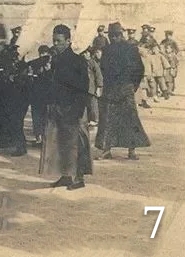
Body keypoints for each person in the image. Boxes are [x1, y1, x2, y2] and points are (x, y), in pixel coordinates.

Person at [39, 24, 92, 190]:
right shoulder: (55, 60)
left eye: (59, 41)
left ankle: (79, 178)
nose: (56, 44)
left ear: (68, 41)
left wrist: (78, 110)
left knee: (76, 143)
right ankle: (66, 175)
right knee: (61, 143)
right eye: (54, 41)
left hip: (72, 108)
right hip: (58, 107)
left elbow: (84, 87)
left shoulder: (78, 60)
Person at [96, 22, 149, 160]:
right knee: (107, 119)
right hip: (111, 89)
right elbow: (103, 68)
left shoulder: (131, 49)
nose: (114, 38)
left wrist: (133, 85)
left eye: (116, 35)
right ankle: (106, 150)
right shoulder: (107, 49)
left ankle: (131, 151)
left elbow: (139, 69)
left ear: (121, 34)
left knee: (130, 119)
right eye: (112, 35)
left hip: (125, 88)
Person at [85, 47, 103, 125]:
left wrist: (99, 87)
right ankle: (89, 119)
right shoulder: (82, 62)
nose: (85, 54)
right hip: (85, 88)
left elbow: (98, 75)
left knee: (93, 104)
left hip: (92, 87)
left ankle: (95, 119)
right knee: (87, 104)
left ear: (90, 54)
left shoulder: (93, 63)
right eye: (84, 53)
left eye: (86, 53)